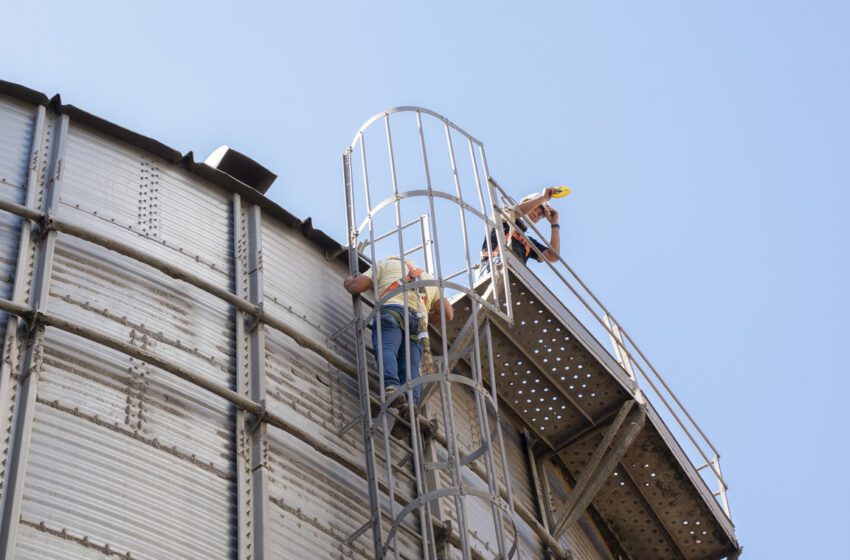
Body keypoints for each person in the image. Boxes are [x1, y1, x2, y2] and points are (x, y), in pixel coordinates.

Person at [344, 256, 454, 414]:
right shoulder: (428, 278)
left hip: (392, 311)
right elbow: (448, 314)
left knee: (387, 349)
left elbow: (356, 286)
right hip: (418, 322)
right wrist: (426, 319)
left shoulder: (385, 264)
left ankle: (391, 386)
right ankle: (412, 405)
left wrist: (348, 281)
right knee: (412, 367)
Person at [478, 187, 562, 278]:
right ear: (524, 202)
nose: (535, 214)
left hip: (516, 273)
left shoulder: (528, 242)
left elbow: (552, 257)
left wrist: (554, 224)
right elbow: (513, 214)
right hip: (493, 268)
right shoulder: (501, 218)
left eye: (540, 215)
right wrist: (543, 198)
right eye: (535, 208)